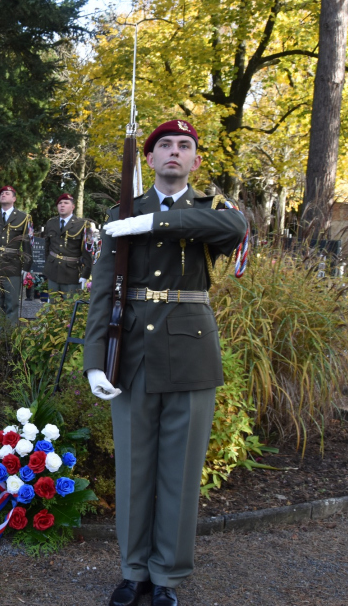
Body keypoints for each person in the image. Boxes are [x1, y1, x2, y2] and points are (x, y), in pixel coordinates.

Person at [81, 120, 248, 606]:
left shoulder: (212, 211)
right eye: (164, 146)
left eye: (185, 146)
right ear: (149, 159)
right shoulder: (120, 213)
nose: (174, 152)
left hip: (191, 352)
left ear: (195, 161)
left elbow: (235, 230)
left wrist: (156, 222)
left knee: (180, 469)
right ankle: (134, 571)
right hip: (131, 353)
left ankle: (167, 577)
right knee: (134, 467)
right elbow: (101, 294)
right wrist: (95, 362)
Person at [0, 185, 32, 322]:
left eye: (7, 193)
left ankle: (10, 337)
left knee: (12, 304)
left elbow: (28, 245)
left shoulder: (24, 217)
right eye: (2, 193)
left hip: (13, 265)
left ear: (14, 198)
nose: (3, 195)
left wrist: (26, 268)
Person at [41, 192, 92, 299]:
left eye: (66, 203)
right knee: (52, 309)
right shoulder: (51, 223)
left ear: (73, 207)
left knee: (69, 308)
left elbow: (87, 252)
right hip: (53, 271)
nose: (62, 205)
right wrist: (48, 265)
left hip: (71, 273)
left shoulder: (82, 225)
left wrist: (85, 275)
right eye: (60, 203)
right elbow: (47, 246)